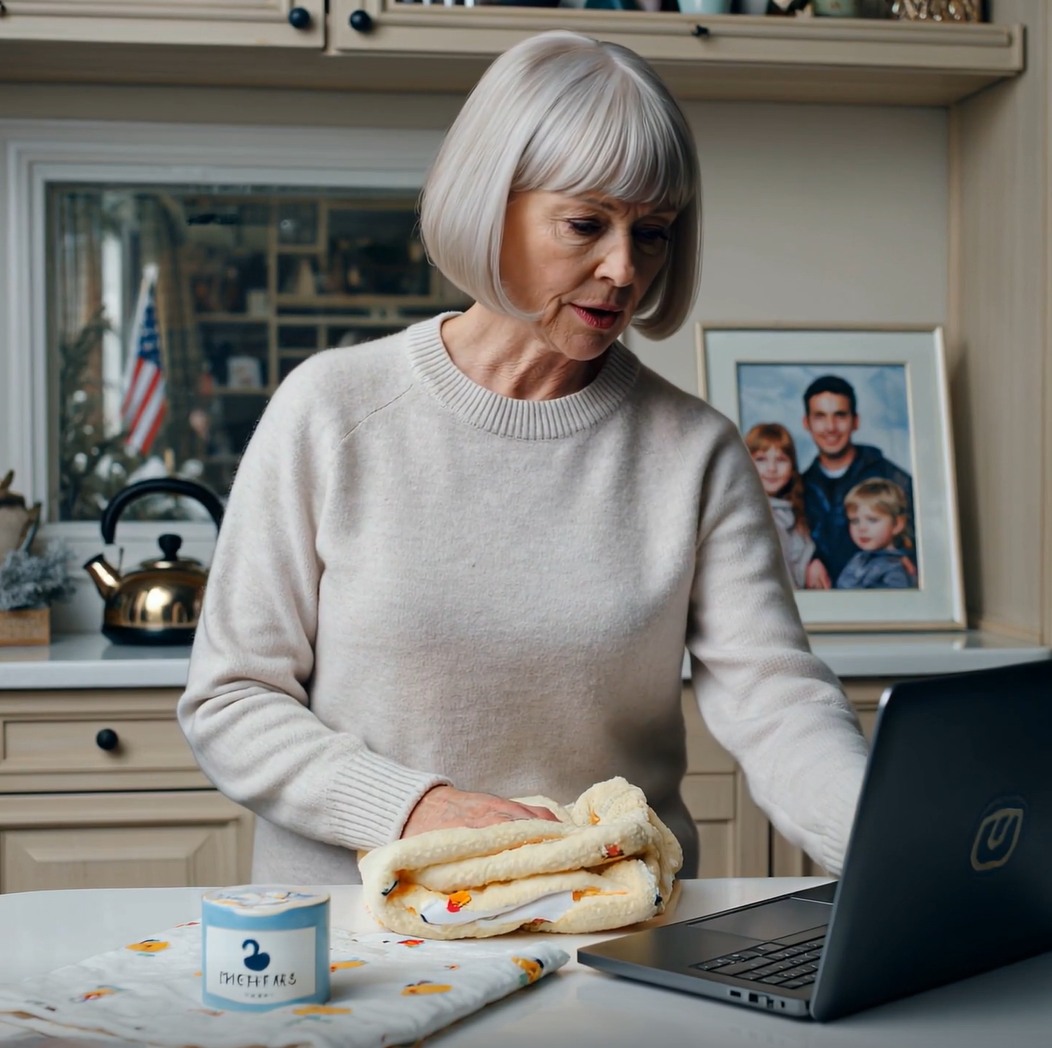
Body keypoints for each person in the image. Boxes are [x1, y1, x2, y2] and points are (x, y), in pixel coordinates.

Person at [177, 30, 868, 886]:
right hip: (362, 936)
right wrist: (421, 810)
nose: (623, 269)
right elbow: (233, 700)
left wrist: (893, 847)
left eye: (652, 233)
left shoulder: (694, 453)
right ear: (489, 203)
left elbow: (777, 702)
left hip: (611, 925)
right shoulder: (333, 410)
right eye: (586, 223)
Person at [800, 374, 915, 589]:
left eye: (840, 415)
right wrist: (807, 562)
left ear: (856, 421)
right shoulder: (798, 487)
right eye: (820, 416)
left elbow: (929, 536)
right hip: (821, 611)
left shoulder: (893, 478)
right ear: (806, 422)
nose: (830, 427)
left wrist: (908, 558)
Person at [743, 422, 815, 589]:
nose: (772, 468)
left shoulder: (796, 514)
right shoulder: (747, 515)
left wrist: (812, 564)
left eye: (781, 460)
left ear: (792, 467)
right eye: (761, 459)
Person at [836, 478, 917, 590]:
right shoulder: (858, 559)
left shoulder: (896, 569)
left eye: (872, 520)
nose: (861, 528)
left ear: (897, 524)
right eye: (855, 521)